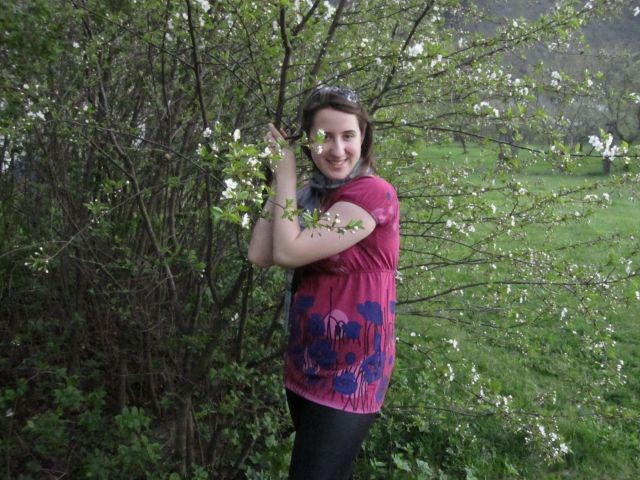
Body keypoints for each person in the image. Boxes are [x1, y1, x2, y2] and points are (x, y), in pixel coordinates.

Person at [248, 86, 400, 480]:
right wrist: (280, 183)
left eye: (348, 135)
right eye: (323, 136)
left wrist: (286, 173)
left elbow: (288, 252)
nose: (337, 149)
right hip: (306, 362)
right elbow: (260, 254)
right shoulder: (310, 197)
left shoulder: (373, 193)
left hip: (354, 373)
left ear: (363, 137)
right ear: (307, 142)